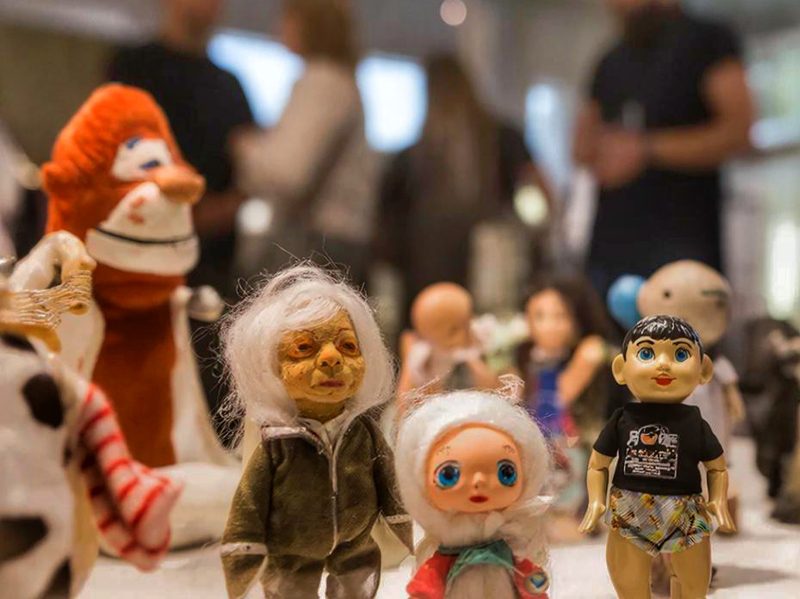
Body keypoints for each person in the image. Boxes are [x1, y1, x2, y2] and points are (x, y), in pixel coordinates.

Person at [107, 0, 255, 420]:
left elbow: (250, 172)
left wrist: (221, 209)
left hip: (208, 266)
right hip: (138, 258)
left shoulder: (230, 86)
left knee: (200, 399)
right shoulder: (132, 67)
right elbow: (111, 153)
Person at [574, 0, 754, 298]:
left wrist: (647, 149)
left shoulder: (708, 42)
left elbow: (739, 132)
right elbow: (581, 147)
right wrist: (605, 152)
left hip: (683, 247)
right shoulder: (610, 60)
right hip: (612, 250)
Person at [378, 53, 552, 322]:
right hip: (489, 266)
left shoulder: (413, 156)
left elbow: (387, 222)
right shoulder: (503, 137)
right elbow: (540, 196)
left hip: (426, 268)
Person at [231, 0, 375, 289]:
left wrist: (245, 147)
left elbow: (288, 175)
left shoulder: (323, 82)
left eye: (288, 18)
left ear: (308, 24)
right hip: (333, 240)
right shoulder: (341, 81)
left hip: (317, 242)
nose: (279, 27)